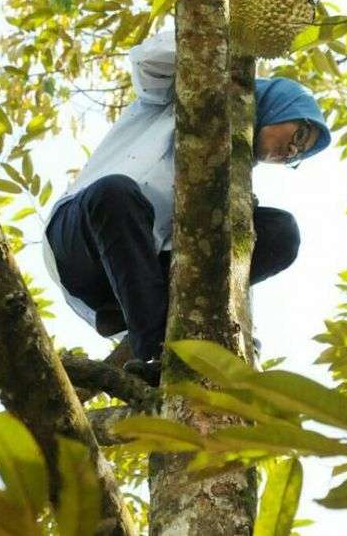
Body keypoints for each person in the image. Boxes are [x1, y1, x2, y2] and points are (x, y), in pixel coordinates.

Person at [41, 31, 331, 385]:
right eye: (299, 135)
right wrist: (221, 59)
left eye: (302, 153)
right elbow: (147, 61)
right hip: (82, 242)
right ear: (280, 105)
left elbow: (232, 263)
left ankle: (164, 334)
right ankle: (153, 350)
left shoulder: (234, 189)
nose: (293, 152)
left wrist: (243, 343)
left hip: (150, 270)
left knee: (280, 231)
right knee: (115, 193)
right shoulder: (174, 98)